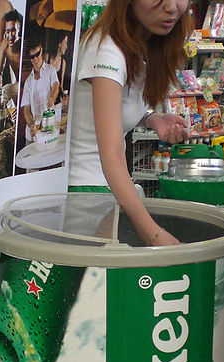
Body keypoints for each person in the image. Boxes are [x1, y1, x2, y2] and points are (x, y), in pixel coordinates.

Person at [67, 0, 192, 246]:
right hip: (86, 195)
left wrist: (152, 118)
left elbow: (114, 106)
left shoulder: (142, 45)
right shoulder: (106, 49)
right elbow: (111, 152)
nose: (171, 7)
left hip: (105, 190)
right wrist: (154, 235)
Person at [20, 39, 59, 144]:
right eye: (32, 57)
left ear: (41, 51)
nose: (35, 58)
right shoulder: (28, 81)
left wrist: (52, 98)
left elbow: (56, 86)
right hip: (34, 130)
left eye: (37, 54)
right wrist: (31, 124)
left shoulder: (51, 70)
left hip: (48, 123)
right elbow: (26, 109)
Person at [0, 9, 21, 88]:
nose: (10, 35)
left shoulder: (22, 45)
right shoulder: (5, 44)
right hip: (17, 85)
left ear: (18, 28)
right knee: (4, 91)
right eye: (7, 31)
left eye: (13, 31)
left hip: (27, 85)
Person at [45, 31, 69, 106]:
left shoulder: (63, 63)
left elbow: (60, 85)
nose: (66, 46)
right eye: (65, 42)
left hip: (56, 103)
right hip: (46, 101)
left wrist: (64, 96)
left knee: (54, 117)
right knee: (46, 116)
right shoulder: (47, 58)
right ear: (59, 43)